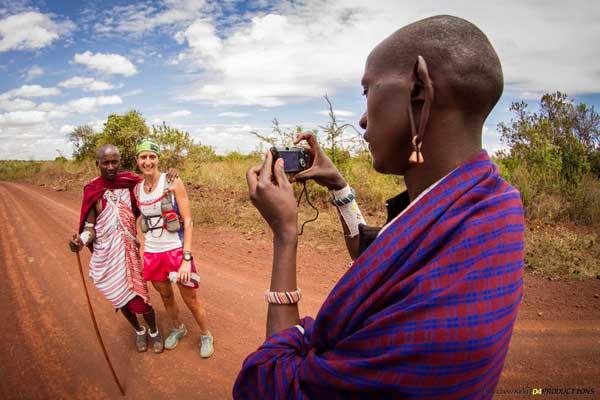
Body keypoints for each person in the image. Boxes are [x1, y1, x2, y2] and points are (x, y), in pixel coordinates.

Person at [234, 15, 525, 399]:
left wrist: (285, 235)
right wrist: (337, 185)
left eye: (367, 89)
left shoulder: (431, 331)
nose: (364, 118)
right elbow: (376, 252)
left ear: (419, 88)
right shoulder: (491, 206)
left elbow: (276, 383)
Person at [69, 144, 164, 353]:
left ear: (120, 162)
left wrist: (171, 175)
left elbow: (155, 185)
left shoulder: (131, 184)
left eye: (114, 162)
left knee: (141, 300)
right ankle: (139, 330)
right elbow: (90, 228)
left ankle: (154, 331)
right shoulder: (93, 190)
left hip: (129, 251)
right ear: (98, 164)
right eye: (106, 162)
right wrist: (81, 241)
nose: (111, 166)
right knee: (120, 299)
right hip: (107, 255)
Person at [134, 139, 214, 358]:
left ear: (158, 159)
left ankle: (206, 334)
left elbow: (187, 221)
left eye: (152, 157)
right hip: (152, 253)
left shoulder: (172, 181)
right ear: (137, 160)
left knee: (191, 298)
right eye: (143, 157)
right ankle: (178, 328)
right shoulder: (137, 189)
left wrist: (186, 258)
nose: (148, 161)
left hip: (176, 251)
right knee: (166, 296)